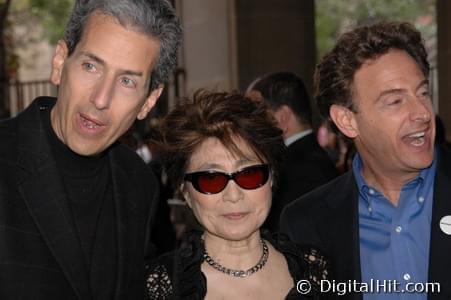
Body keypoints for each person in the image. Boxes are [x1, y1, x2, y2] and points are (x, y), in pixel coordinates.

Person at [0, 0, 181, 299]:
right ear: (60, 62)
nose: (101, 98)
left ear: (149, 100)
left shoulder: (138, 182)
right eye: (91, 66)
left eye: (126, 81)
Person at [280, 21, 451, 300]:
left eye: (422, 93)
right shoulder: (307, 223)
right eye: (395, 101)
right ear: (347, 121)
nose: (422, 112)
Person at [145, 90, 332, 299]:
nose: (233, 195)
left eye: (249, 174)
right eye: (211, 178)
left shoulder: (315, 269)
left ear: (271, 178)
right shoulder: (158, 285)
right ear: (186, 192)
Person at [248, 72, 338, 231]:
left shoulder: (300, 171)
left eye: (257, 112)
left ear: (282, 117)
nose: (249, 122)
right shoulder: (306, 162)